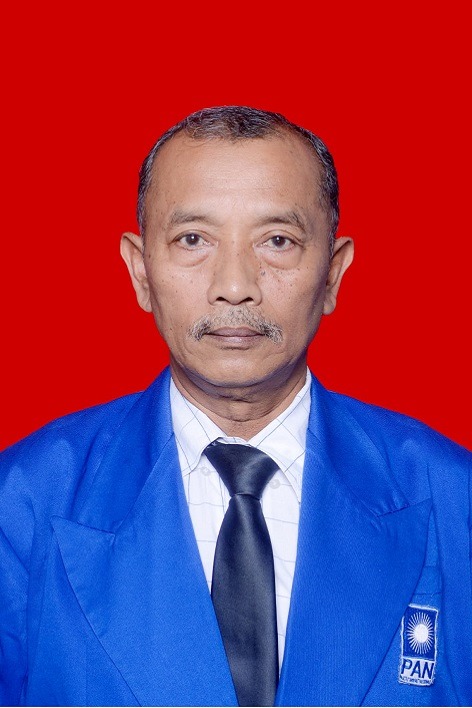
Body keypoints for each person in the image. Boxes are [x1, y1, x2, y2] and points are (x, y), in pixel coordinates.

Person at [0, 106, 470, 707]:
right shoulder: (23, 501)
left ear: (333, 272)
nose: (234, 285)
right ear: (140, 271)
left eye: (277, 241)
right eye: (193, 240)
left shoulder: (453, 496)